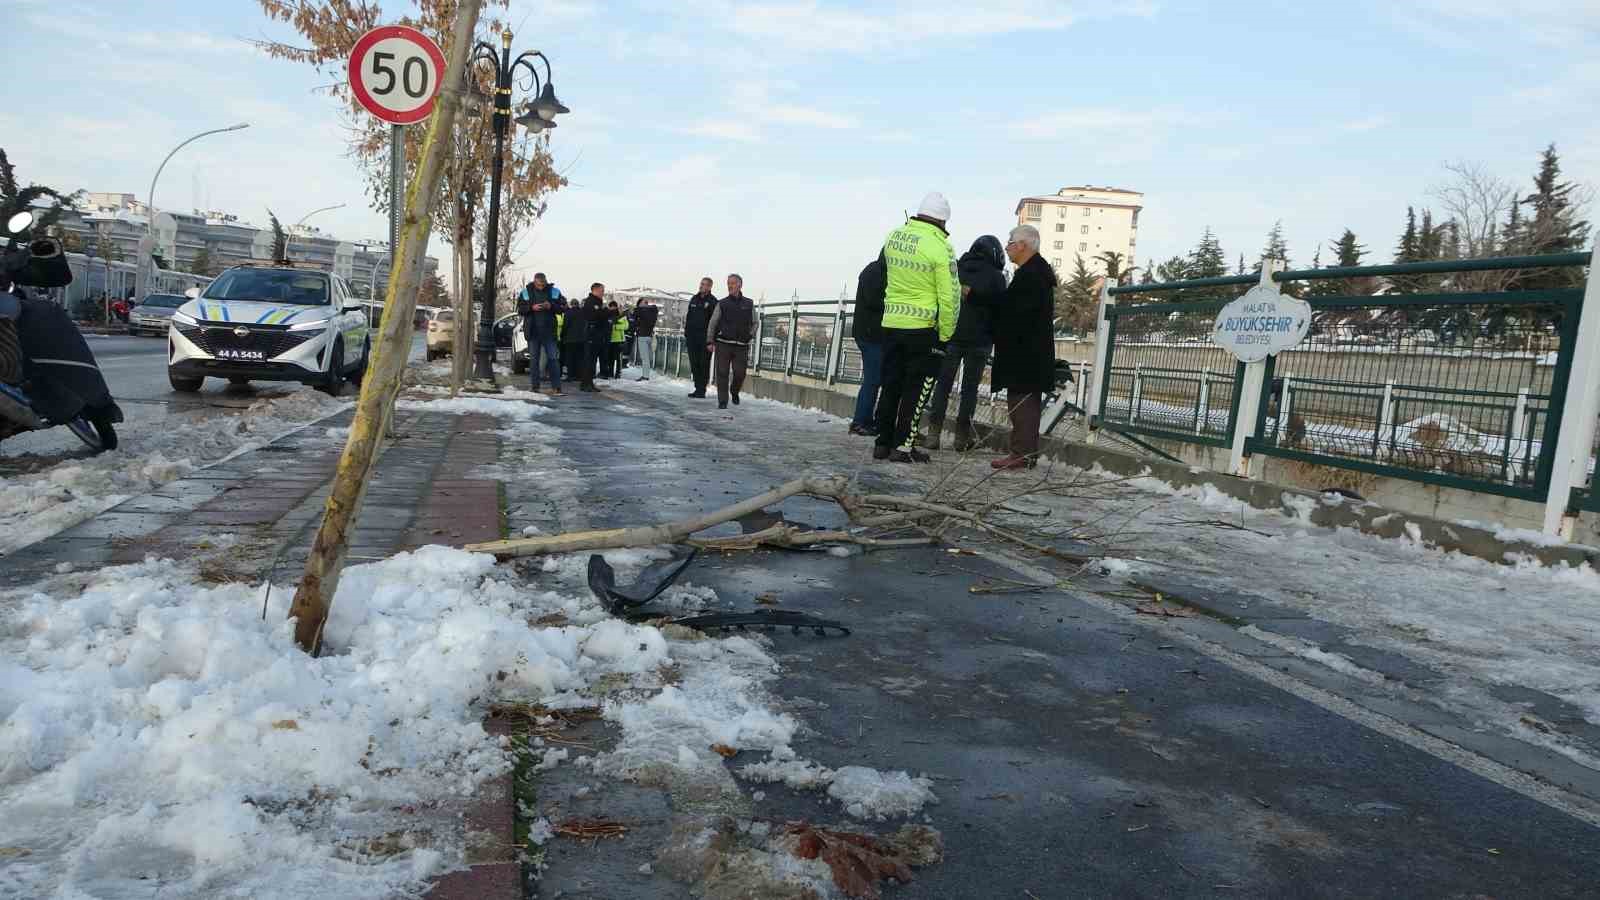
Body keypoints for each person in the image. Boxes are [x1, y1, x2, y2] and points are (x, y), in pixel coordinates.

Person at [873, 193, 958, 463]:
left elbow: (884, 276)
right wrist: (946, 333)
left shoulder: (893, 237)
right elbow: (949, 296)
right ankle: (903, 447)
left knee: (890, 386)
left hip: (892, 323)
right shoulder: (940, 247)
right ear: (943, 220)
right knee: (917, 390)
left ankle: (882, 443)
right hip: (923, 328)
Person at [987, 225, 1058, 470]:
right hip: (1029, 352)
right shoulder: (1034, 273)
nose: (1006, 247)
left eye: (1010, 242)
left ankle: (1021, 454)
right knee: (1024, 401)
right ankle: (1024, 452)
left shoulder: (1031, 276)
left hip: (1025, 353)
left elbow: (1016, 312)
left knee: (1022, 403)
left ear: (1023, 246)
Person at [925, 235, 1002, 451]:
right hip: (980, 340)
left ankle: (933, 435)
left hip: (950, 336)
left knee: (943, 385)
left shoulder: (955, 269)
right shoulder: (996, 276)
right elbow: (1000, 309)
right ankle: (961, 438)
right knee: (969, 390)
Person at [703, 273, 754, 410]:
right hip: (723, 343)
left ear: (740, 285)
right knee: (722, 372)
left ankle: (734, 391)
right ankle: (723, 401)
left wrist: (750, 334)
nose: (729, 286)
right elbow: (713, 323)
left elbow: (755, 322)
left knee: (740, 373)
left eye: (732, 283)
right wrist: (710, 341)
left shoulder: (749, 303)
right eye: (728, 283)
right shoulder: (722, 303)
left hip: (741, 345)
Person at [848, 253, 886, 436]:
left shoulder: (873, 270)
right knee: (873, 380)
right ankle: (860, 421)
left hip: (868, 333)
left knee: (873, 379)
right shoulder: (876, 272)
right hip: (871, 335)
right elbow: (874, 300)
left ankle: (864, 420)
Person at [517, 272, 566, 394]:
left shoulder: (554, 291)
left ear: (546, 282)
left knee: (553, 359)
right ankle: (535, 387)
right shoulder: (525, 292)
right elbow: (520, 310)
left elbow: (563, 307)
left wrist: (551, 306)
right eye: (539, 285)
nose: (541, 287)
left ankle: (557, 387)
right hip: (533, 332)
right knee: (534, 360)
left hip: (549, 332)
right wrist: (531, 308)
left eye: (543, 285)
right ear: (534, 282)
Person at [683, 277, 718, 398]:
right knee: (694, 363)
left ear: (709, 287)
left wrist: (711, 340)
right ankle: (697, 387)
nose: (701, 286)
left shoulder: (713, 302)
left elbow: (715, 322)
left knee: (703, 363)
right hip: (692, 337)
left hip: (705, 339)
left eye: (704, 284)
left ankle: (701, 389)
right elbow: (689, 317)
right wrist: (686, 333)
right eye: (701, 283)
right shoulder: (694, 299)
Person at [580, 283, 614, 392]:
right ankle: (586, 384)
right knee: (589, 360)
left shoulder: (596, 302)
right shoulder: (591, 302)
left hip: (595, 333)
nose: (603, 292)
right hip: (591, 333)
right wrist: (608, 312)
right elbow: (595, 316)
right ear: (595, 290)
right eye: (602, 290)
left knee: (592, 359)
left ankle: (588, 383)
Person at [560, 279, 591, 380]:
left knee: (570, 358)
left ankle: (570, 375)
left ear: (571, 304)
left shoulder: (568, 313)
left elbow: (565, 326)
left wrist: (562, 336)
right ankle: (579, 375)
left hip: (569, 339)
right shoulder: (583, 313)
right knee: (579, 358)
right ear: (578, 304)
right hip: (581, 339)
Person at [632, 297, 660, 381]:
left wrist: (637, 326)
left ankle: (645, 376)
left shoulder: (639, 311)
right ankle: (646, 374)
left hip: (642, 336)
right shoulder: (653, 311)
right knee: (649, 357)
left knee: (645, 358)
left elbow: (634, 320)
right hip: (650, 336)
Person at [608, 301, 628, 378]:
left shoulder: (622, 316)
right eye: (611, 307)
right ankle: (610, 372)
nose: (613, 308)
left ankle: (618, 373)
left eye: (614, 307)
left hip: (619, 340)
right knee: (610, 358)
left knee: (618, 358)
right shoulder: (609, 315)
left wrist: (616, 327)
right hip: (610, 339)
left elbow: (626, 326)